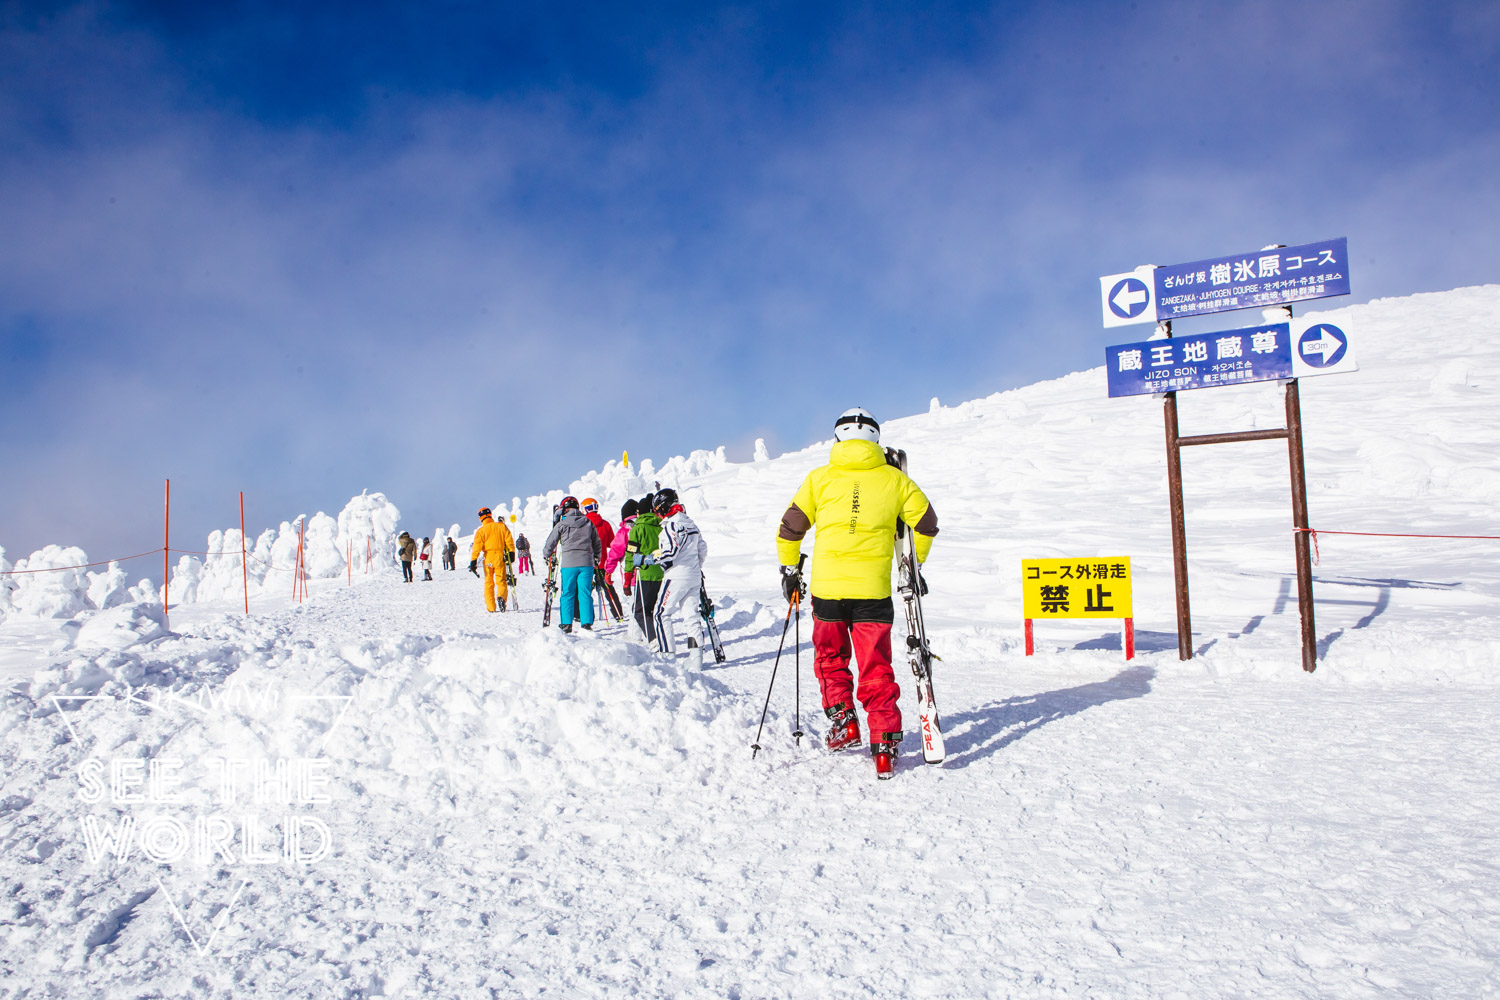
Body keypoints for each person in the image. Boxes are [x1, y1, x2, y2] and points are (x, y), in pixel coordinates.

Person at [776, 407, 938, 780]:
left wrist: (789, 570)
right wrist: (915, 566)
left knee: (830, 658)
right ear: (876, 441)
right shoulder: (895, 481)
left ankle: (844, 721)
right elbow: (926, 524)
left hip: (828, 592)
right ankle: (883, 745)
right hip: (873, 594)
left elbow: (789, 529)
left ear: (837, 440)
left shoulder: (819, 479)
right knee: (875, 666)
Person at [649, 488, 709, 669]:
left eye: (658, 510)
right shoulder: (690, 523)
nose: (658, 515)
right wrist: (696, 566)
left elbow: (670, 552)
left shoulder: (672, 525)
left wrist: (649, 558)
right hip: (694, 575)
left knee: (661, 613)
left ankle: (667, 656)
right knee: (691, 616)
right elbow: (702, 549)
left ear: (663, 507)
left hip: (676, 576)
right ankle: (695, 657)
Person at [542, 495, 600, 633]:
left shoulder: (562, 524)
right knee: (585, 593)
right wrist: (597, 557)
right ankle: (586, 624)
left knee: (568, 593)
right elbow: (597, 542)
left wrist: (546, 554)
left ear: (564, 509)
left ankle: (566, 624)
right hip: (587, 563)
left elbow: (550, 542)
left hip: (569, 564)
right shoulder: (588, 522)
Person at [623, 493, 664, 643]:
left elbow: (630, 554)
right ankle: (661, 638)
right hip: (662, 573)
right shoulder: (661, 526)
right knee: (655, 610)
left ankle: (654, 641)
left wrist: (627, 578)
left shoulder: (637, 529)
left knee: (640, 611)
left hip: (645, 574)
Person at [468, 507, 516, 612]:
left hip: (488, 557)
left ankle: (491, 607)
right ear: (490, 515)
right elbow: (509, 540)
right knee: (501, 580)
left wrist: (473, 561)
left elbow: (476, 547)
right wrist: (511, 553)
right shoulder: (501, 526)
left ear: (481, 518)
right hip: (499, 556)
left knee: (488, 582)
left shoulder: (481, 531)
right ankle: (501, 597)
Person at [603, 499, 639, 599]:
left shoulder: (624, 531)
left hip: (631, 575)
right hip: (651, 574)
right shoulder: (645, 527)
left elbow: (615, 552)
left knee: (636, 605)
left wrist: (608, 571)